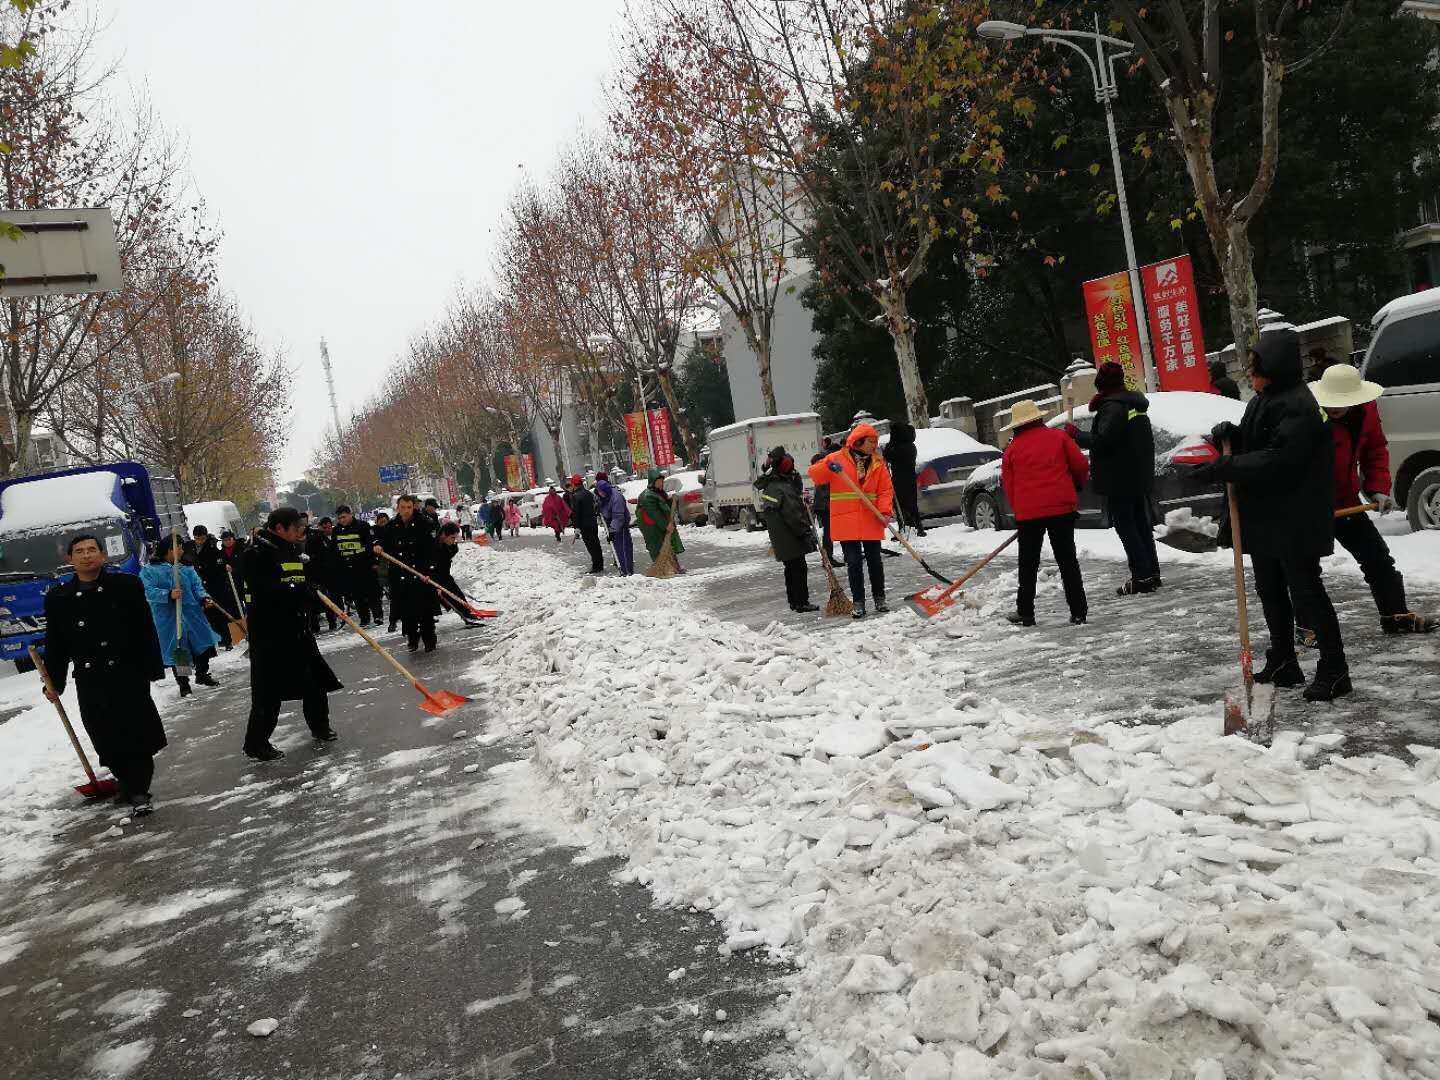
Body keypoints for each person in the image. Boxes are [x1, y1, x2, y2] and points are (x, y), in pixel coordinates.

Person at [1191, 325, 1348, 701]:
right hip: (1266, 515)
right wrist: (1231, 433)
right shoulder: (1264, 399)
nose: (1249, 372)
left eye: (1255, 365)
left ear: (1274, 367)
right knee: (1270, 590)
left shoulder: (1299, 404)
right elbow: (1258, 439)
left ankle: (1335, 669)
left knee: (1307, 593)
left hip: (1295, 516)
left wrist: (1226, 468)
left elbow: (1279, 459)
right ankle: (1283, 661)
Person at [1302, 363, 1436, 636]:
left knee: (1378, 559)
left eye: (1342, 403)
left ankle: (1395, 615)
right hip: (1310, 505)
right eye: (1331, 402)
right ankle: (1307, 628)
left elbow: (1375, 449)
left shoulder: (1366, 411)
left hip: (1347, 501)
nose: (1335, 408)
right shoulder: (1306, 415)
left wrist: (1377, 488)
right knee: (1305, 569)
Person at [42, 535, 167, 814]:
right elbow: (57, 645)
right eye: (79, 551)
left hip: (128, 674)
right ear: (70, 559)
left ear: (103, 555)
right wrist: (54, 682)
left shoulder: (126, 586)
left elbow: (144, 629)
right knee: (105, 736)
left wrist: (152, 668)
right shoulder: (59, 598)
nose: (86, 556)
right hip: (90, 678)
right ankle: (125, 779)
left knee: (137, 734)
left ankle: (138, 790)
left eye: (91, 550)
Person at [240, 507, 342, 760]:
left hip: (297, 629)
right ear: (278, 528)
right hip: (270, 636)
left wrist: (312, 592)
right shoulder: (256, 554)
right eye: (295, 528)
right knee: (268, 692)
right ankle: (256, 743)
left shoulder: (291, 550)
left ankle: (320, 727)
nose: (300, 532)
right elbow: (267, 592)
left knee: (314, 682)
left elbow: (297, 583)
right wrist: (299, 590)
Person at [1065, 360, 1162, 596]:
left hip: (1120, 478)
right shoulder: (1131, 404)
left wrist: (1076, 434)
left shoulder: (1113, 407)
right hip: (1136, 475)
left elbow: (1103, 440)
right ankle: (1151, 573)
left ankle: (1142, 576)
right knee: (1140, 525)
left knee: (1127, 527)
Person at [999, 399, 1089, 627]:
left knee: (1028, 564)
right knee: (1067, 561)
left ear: (1016, 425)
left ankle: (1026, 612)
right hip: (1061, 508)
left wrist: (1020, 511)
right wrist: (1076, 485)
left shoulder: (1012, 450)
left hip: (1029, 515)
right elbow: (1080, 464)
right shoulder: (1059, 438)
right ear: (1039, 418)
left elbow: (1009, 485)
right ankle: (1079, 612)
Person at [808, 423, 893, 618]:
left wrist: (885, 512)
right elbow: (815, 475)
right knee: (853, 562)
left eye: (875, 442)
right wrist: (825, 464)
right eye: (871, 441)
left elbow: (885, 490)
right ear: (858, 441)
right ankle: (858, 603)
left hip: (871, 518)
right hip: (846, 521)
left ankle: (880, 599)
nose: (874, 445)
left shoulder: (878, 463)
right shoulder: (837, 459)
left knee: (874, 561)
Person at [139, 534, 223, 695]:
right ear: (170, 550)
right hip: (169, 618)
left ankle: (202, 674)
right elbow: (148, 591)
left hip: (192, 613)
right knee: (180, 650)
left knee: (203, 643)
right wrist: (168, 594)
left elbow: (197, 586)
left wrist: (204, 597)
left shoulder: (186, 569)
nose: (182, 550)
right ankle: (184, 684)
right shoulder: (150, 571)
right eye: (180, 547)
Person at [374, 494, 438, 652]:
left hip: (421, 573)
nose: (406, 511)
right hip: (400, 575)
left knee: (425, 611)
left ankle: (429, 639)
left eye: (409, 507)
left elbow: (432, 550)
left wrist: (430, 570)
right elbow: (381, 540)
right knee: (407, 611)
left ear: (413, 507)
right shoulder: (392, 526)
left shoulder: (424, 523)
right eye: (403, 507)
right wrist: (378, 546)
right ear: (398, 508)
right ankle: (412, 639)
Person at [757, 447, 818, 612]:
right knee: (799, 569)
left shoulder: (772, 485)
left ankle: (794, 601)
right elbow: (793, 515)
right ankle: (802, 602)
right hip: (791, 536)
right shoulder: (783, 487)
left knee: (790, 569)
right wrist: (805, 533)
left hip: (781, 536)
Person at [185, 525, 235, 649]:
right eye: (197, 538)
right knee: (208, 615)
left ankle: (227, 640)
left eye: (202, 538)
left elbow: (220, 563)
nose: (199, 541)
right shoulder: (188, 547)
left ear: (206, 536)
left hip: (215, 585)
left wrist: (224, 568)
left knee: (220, 613)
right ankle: (216, 640)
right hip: (198, 585)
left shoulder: (213, 547)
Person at [333, 505, 381, 627]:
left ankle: (377, 616)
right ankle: (364, 618)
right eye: (339, 518)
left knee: (372, 593)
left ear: (350, 514)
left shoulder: (362, 526)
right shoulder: (337, 530)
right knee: (357, 595)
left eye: (344, 517)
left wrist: (374, 562)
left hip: (364, 565)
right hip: (348, 568)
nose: (342, 520)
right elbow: (335, 550)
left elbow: (371, 543)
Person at [434, 521, 484, 627]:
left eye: (455, 538)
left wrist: (453, 547)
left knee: (457, 594)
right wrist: (436, 585)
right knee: (447, 596)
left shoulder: (446, 545)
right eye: (452, 538)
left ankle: (467, 614)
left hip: (444, 574)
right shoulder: (433, 547)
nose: (454, 541)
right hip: (432, 577)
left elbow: (448, 557)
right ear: (443, 535)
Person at [882, 423, 926, 537]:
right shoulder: (910, 446)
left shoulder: (900, 447)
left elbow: (888, 456)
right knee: (911, 504)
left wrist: (889, 447)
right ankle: (915, 527)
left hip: (900, 479)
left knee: (901, 505)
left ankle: (907, 528)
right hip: (909, 478)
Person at [636, 469, 684, 572]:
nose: (661, 484)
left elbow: (665, 506)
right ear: (653, 482)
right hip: (651, 526)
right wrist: (666, 525)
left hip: (659, 524)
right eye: (659, 482)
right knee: (656, 547)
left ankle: (674, 567)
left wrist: (672, 500)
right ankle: (662, 568)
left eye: (662, 481)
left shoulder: (659, 493)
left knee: (667, 545)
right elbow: (655, 514)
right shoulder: (648, 496)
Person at [304, 517, 341, 633]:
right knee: (312, 604)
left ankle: (332, 622)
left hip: (323, 575)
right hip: (309, 576)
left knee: (327, 600)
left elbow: (328, 555)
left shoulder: (319, 538)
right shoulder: (302, 540)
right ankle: (314, 626)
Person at [595, 473, 634, 575]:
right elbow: (602, 505)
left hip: (621, 525)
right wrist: (598, 507)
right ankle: (623, 568)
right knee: (617, 548)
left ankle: (627, 571)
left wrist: (612, 531)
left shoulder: (616, 498)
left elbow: (618, 517)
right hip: (612, 524)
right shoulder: (604, 495)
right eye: (599, 492)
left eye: (600, 492)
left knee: (624, 548)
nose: (599, 493)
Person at [808, 453, 841, 567]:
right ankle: (828, 558)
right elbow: (826, 492)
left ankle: (828, 557)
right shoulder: (823, 473)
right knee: (829, 533)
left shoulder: (819, 473)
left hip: (822, 506)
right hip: (825, 506)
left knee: (829, 532)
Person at [568, 474, 605, 574]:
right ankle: (600, 564)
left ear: (574, 484)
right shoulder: (589, 493)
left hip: (584, 525)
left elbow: (576, 513)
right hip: (593, 523)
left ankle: (596, 566)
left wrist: (576, 527)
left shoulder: (576, 496)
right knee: (596, 544)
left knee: (591, 546)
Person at [372, 510, 395, 632]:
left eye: (384, 522)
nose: (383, 524)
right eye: (380, 522)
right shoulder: (374, 533)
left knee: (395, 594)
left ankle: (394, 620)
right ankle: (390, 620)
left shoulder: (393, 529)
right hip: (382, 564)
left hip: (394, 562)